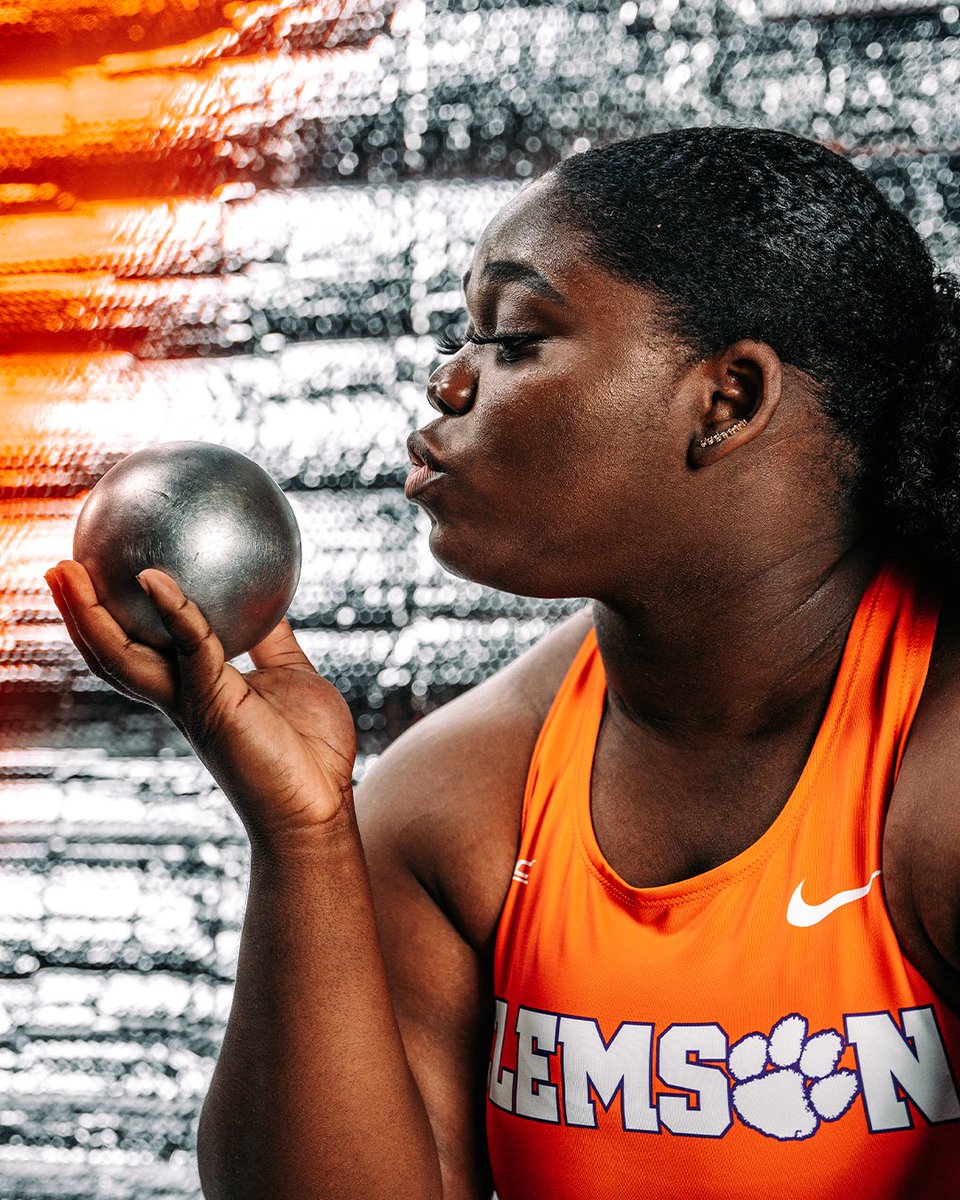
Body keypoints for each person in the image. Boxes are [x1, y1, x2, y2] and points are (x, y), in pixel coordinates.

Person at [45, 126, 960, 1199]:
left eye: (514, 337)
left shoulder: (934, 781)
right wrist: (301, 834)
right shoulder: (462, 803)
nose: (445, 383)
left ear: (728, 401)